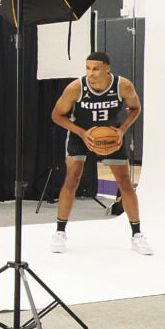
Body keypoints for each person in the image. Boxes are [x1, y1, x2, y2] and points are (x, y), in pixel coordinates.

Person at [50, 51, 150, 255]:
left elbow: (135, 108)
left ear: (107, 68)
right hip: (80, 134)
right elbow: (56, 115)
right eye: (87, 68)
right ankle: (60, 232)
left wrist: (121, 130)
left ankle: (137, 234)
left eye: (95, 68)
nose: (91, 73)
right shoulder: (76, 87)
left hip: (110, 135)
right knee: (72, 178)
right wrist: (81, 132)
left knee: (125, 183)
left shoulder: (123, 86)